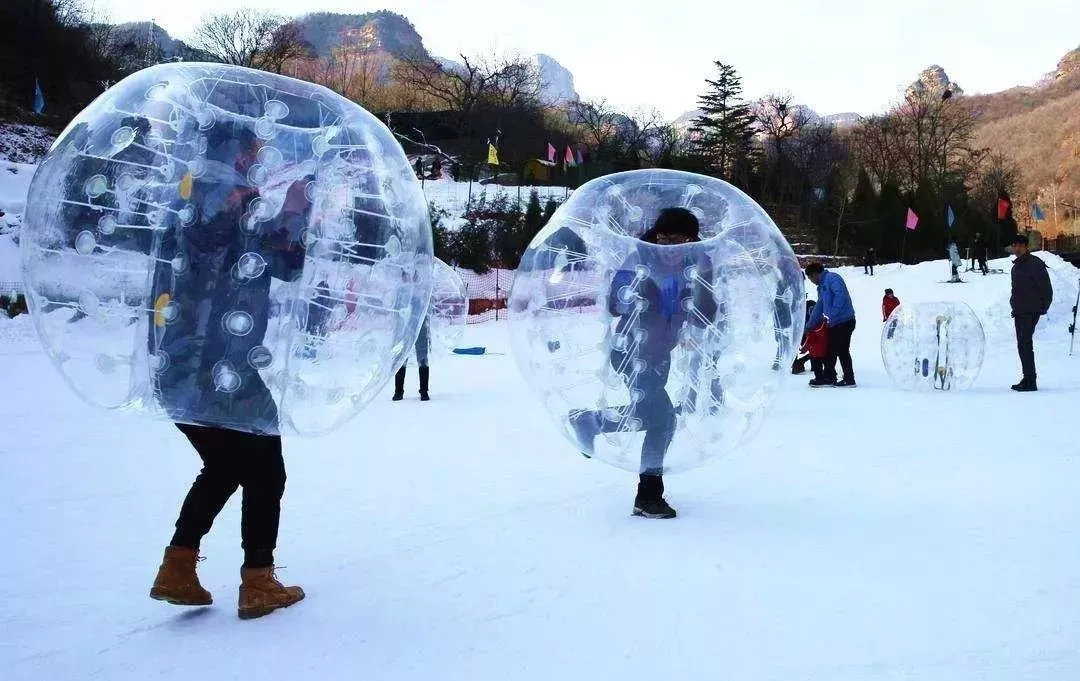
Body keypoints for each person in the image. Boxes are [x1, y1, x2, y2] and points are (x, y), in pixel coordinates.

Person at [149, 120, 305, 620]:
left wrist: (289, 213)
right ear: (235, 151)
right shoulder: (215, 198)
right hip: (218, 367)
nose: (257, 160)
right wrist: (291, 215)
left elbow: (272, 264)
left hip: (180, 365)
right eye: (252, 151)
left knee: (226, 465)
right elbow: (276, 260)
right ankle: (257, 582)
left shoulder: (193, 196)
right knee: (265, 470)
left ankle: (178, 567)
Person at [569, 207, 712, 519]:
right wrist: (634, 289)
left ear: (690, 240)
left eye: (676, 240)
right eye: (662, 238)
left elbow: (708, 311)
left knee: (649, 414)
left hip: (661, 352)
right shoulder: (639, 260)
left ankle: (591, 421)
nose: (667, 247)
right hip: (630, 350)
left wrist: (702, 287)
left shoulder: (698, 262)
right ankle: (648, 496)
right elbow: (615, 304)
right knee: (663, 419)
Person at [1009, 233, 1053, 392]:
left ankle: (1030, 381)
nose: (1018, 248)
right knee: (1023, 345)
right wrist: (1014, 305)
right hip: (1020, 310)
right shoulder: (1017, 266)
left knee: (1025, 344)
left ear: (1026, 247)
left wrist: (1043, 307)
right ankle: (1027, 378)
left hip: (1030, 310)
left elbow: (1046, 288)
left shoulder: (1034, 264)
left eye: (1021, 245)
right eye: (1015, 245)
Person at [804, 262, 856, 387]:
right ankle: (829, 377)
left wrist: (831, 315)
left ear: (815, 274)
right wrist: (809, 326)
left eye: (810, 278)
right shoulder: (821, 287)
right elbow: (819, 307)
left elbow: (841, 296)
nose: (811, 281)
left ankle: (849, 379)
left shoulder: (833, 278)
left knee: (842, 350)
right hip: (835, 323)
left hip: (845, 321)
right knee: (830, 350)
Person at [393, 316, 431, 401]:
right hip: (404, 320)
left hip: (421, 320)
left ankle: (424, 391)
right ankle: (398, 391)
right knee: (401, 357)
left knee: (423, 357)